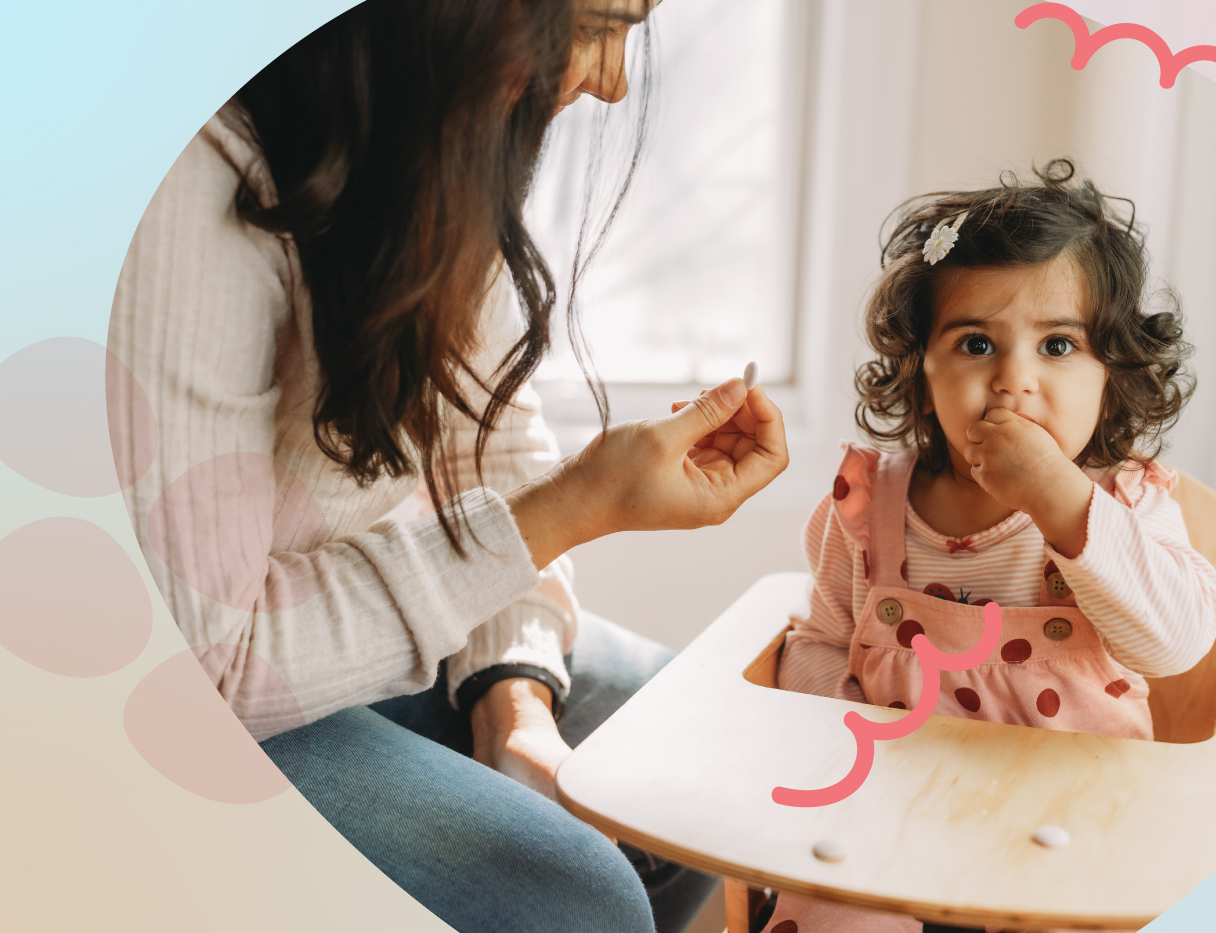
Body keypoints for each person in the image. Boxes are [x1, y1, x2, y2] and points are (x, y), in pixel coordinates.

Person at [107, 2, 784, 932]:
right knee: (574, 897)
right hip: (180, 702)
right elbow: (205, 670)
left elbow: (493, 459)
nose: (614, 79)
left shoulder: (427, 166)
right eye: (599, 25)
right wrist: (577, 505)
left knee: (709, 754)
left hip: (323, 637)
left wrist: (514, 699)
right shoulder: (196, 193)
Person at [761, 161, 1216, 933]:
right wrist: (851, 751)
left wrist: (1061, 501)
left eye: (1059, 345)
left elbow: (1174, 643)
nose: (1013, 379)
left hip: (1072, 838)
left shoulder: (1124, 508)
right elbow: (821, 644)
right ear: (921, 368)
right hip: (890, 827)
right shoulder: (867, 511)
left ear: (1113, 370)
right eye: (977, 342)